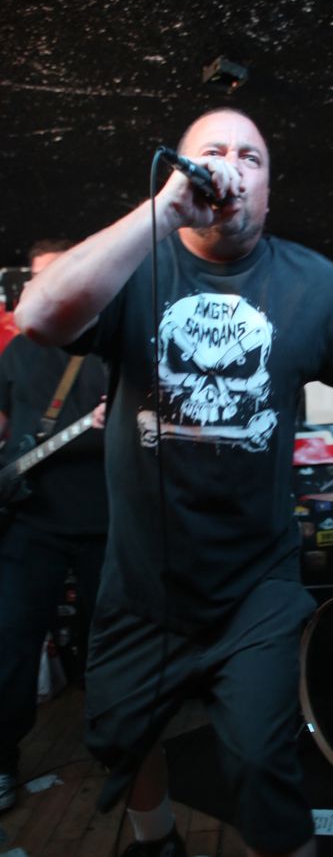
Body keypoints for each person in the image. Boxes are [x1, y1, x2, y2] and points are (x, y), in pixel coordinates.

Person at [15, 109, 333, 857]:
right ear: (181, 172)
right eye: (213, 152)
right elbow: (36, 316)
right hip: (140, 585)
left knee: (263, 766)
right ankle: (156, 840)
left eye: (250, 157)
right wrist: (164, 212)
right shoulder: (133, 266)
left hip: (255, 587)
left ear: (268, 189)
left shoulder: (312, 286)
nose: (231, 165)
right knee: (122, 740)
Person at [0, 241, 108, 813]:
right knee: (9, 642)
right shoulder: (16, 352)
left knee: (110, 645)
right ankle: (1, 759)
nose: (45, 289)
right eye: (36, 280)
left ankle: (119, 751)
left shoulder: (110, 348)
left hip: (104, 523)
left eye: (59, 276)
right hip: (29, 523)